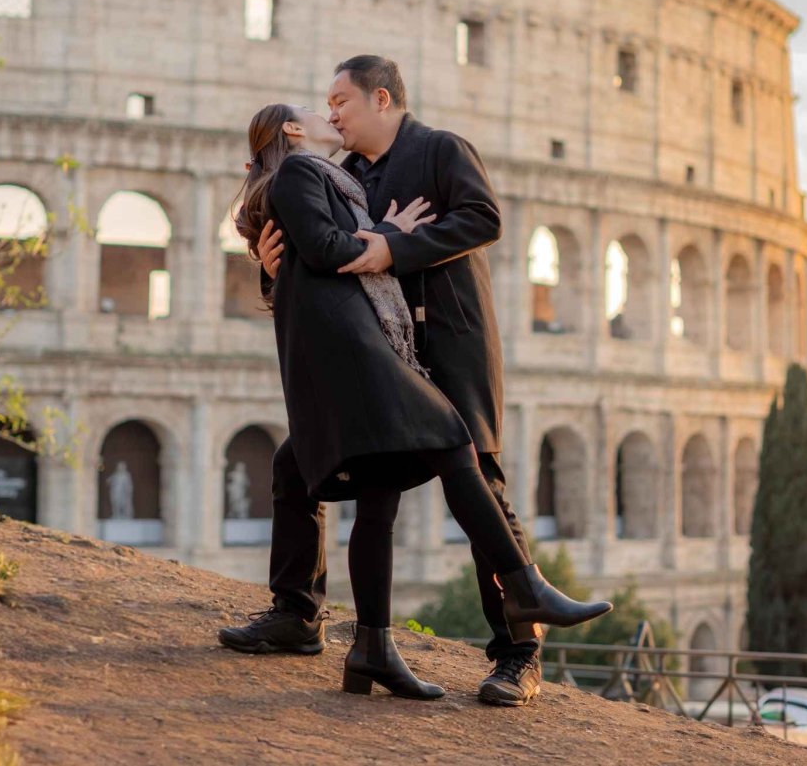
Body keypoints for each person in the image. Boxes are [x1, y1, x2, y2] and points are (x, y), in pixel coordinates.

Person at [218, 55, 577, 707]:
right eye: (323, 106)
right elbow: (317, 253)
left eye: (340, 102)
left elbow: (483, 218)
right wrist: (270, 270)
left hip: (452, 342)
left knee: (480, 482)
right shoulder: (341, 172)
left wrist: (392, 247)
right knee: (308, 466)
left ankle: (517, 651)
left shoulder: (440, 150)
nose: (330, 114)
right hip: (380, 354)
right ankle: (313, 617)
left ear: (381, 99)